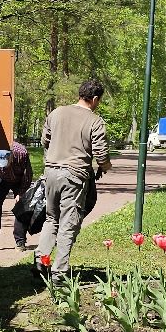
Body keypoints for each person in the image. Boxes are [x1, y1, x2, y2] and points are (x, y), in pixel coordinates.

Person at [34, 79, 113, 278]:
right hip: (74, 176)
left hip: (51, 173)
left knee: (51, 218)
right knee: (68, 224)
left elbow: (45, 140)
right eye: (99, 101)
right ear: (95, 99)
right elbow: (101, 153)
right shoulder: (95, 121)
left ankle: (41, 259)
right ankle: (59, 272)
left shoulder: (56, 113)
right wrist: (105, 166)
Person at [0, 141, 34, 251]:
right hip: (2, 178)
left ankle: (20, 241)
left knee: (21, 206)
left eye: (6, 162)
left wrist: (20, 193)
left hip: (19, 179)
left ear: (11, 155)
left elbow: (28, 175)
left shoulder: (22, 153)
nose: (4, 165)